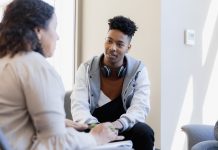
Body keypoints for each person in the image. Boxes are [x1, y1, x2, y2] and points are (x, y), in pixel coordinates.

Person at [0, 0, 123, 149]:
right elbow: (56, 143)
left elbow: (11, 117)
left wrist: (59, 122)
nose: (57, 36)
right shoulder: (35, 66)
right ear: (38, 31)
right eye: (54, 27)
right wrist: (95, 137)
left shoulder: (6, 62)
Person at [71, 15, 155, 150]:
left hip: (122, 126)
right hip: (93, 126)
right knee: (73, 133)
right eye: (109, 41)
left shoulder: (139, 70)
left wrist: (116, 125)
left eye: (120, 44)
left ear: (128, 47)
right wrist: (97, 127)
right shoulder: (86, 68)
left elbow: (140, 108)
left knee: (144, 132)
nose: (112, 47)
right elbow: (79, 106)